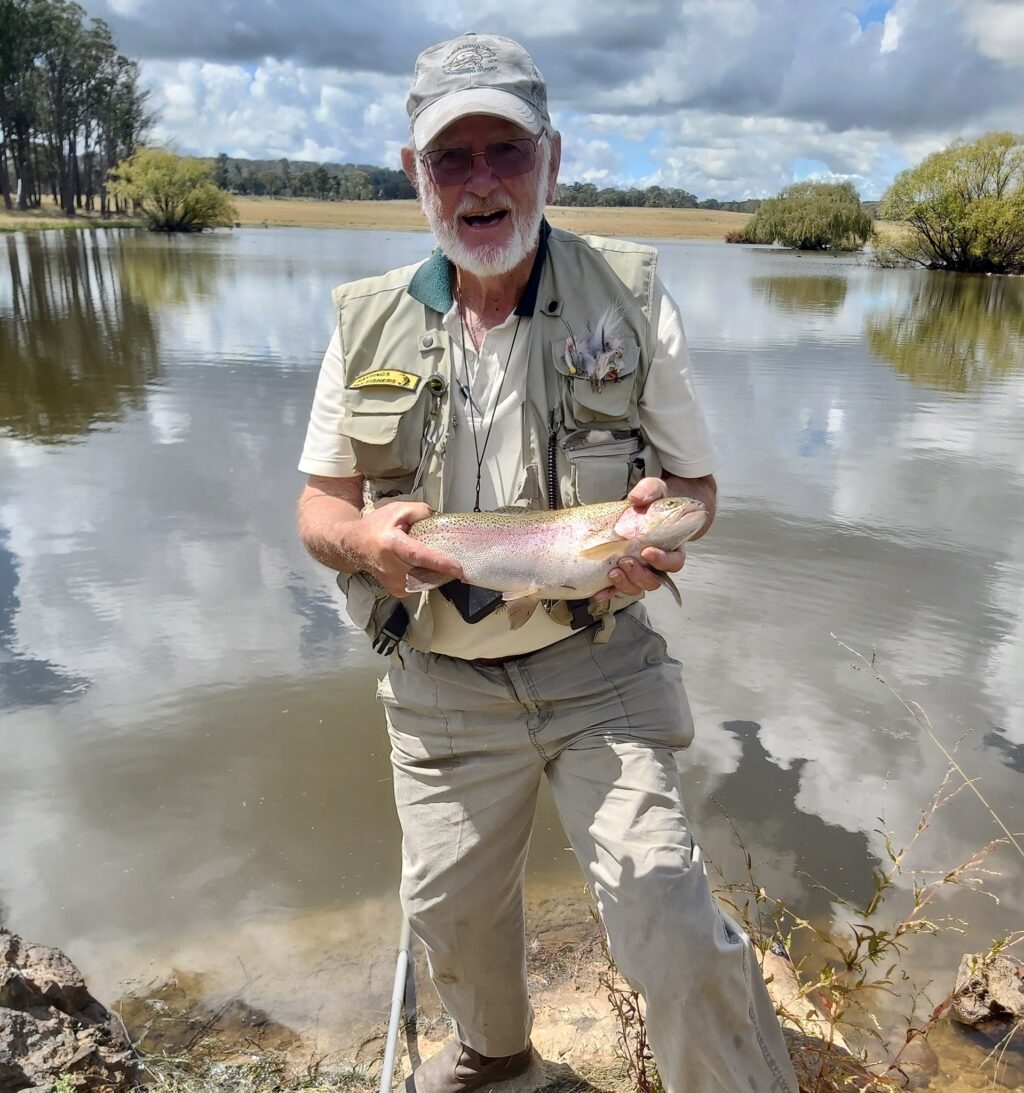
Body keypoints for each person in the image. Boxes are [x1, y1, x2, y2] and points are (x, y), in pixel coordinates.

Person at [297, 32, 798, 1093]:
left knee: (664, 896)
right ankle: (502, 1064)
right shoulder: (365, 319)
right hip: (435, 685)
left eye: (507, 152)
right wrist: (366, 546)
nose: (482, 182)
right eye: (453, 158)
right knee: (450, 917)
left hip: (597, 666)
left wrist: (659, 536)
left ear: (553, 160)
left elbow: (697, 499)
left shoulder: (628, 294)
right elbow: (318, 511)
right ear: (414, 176)